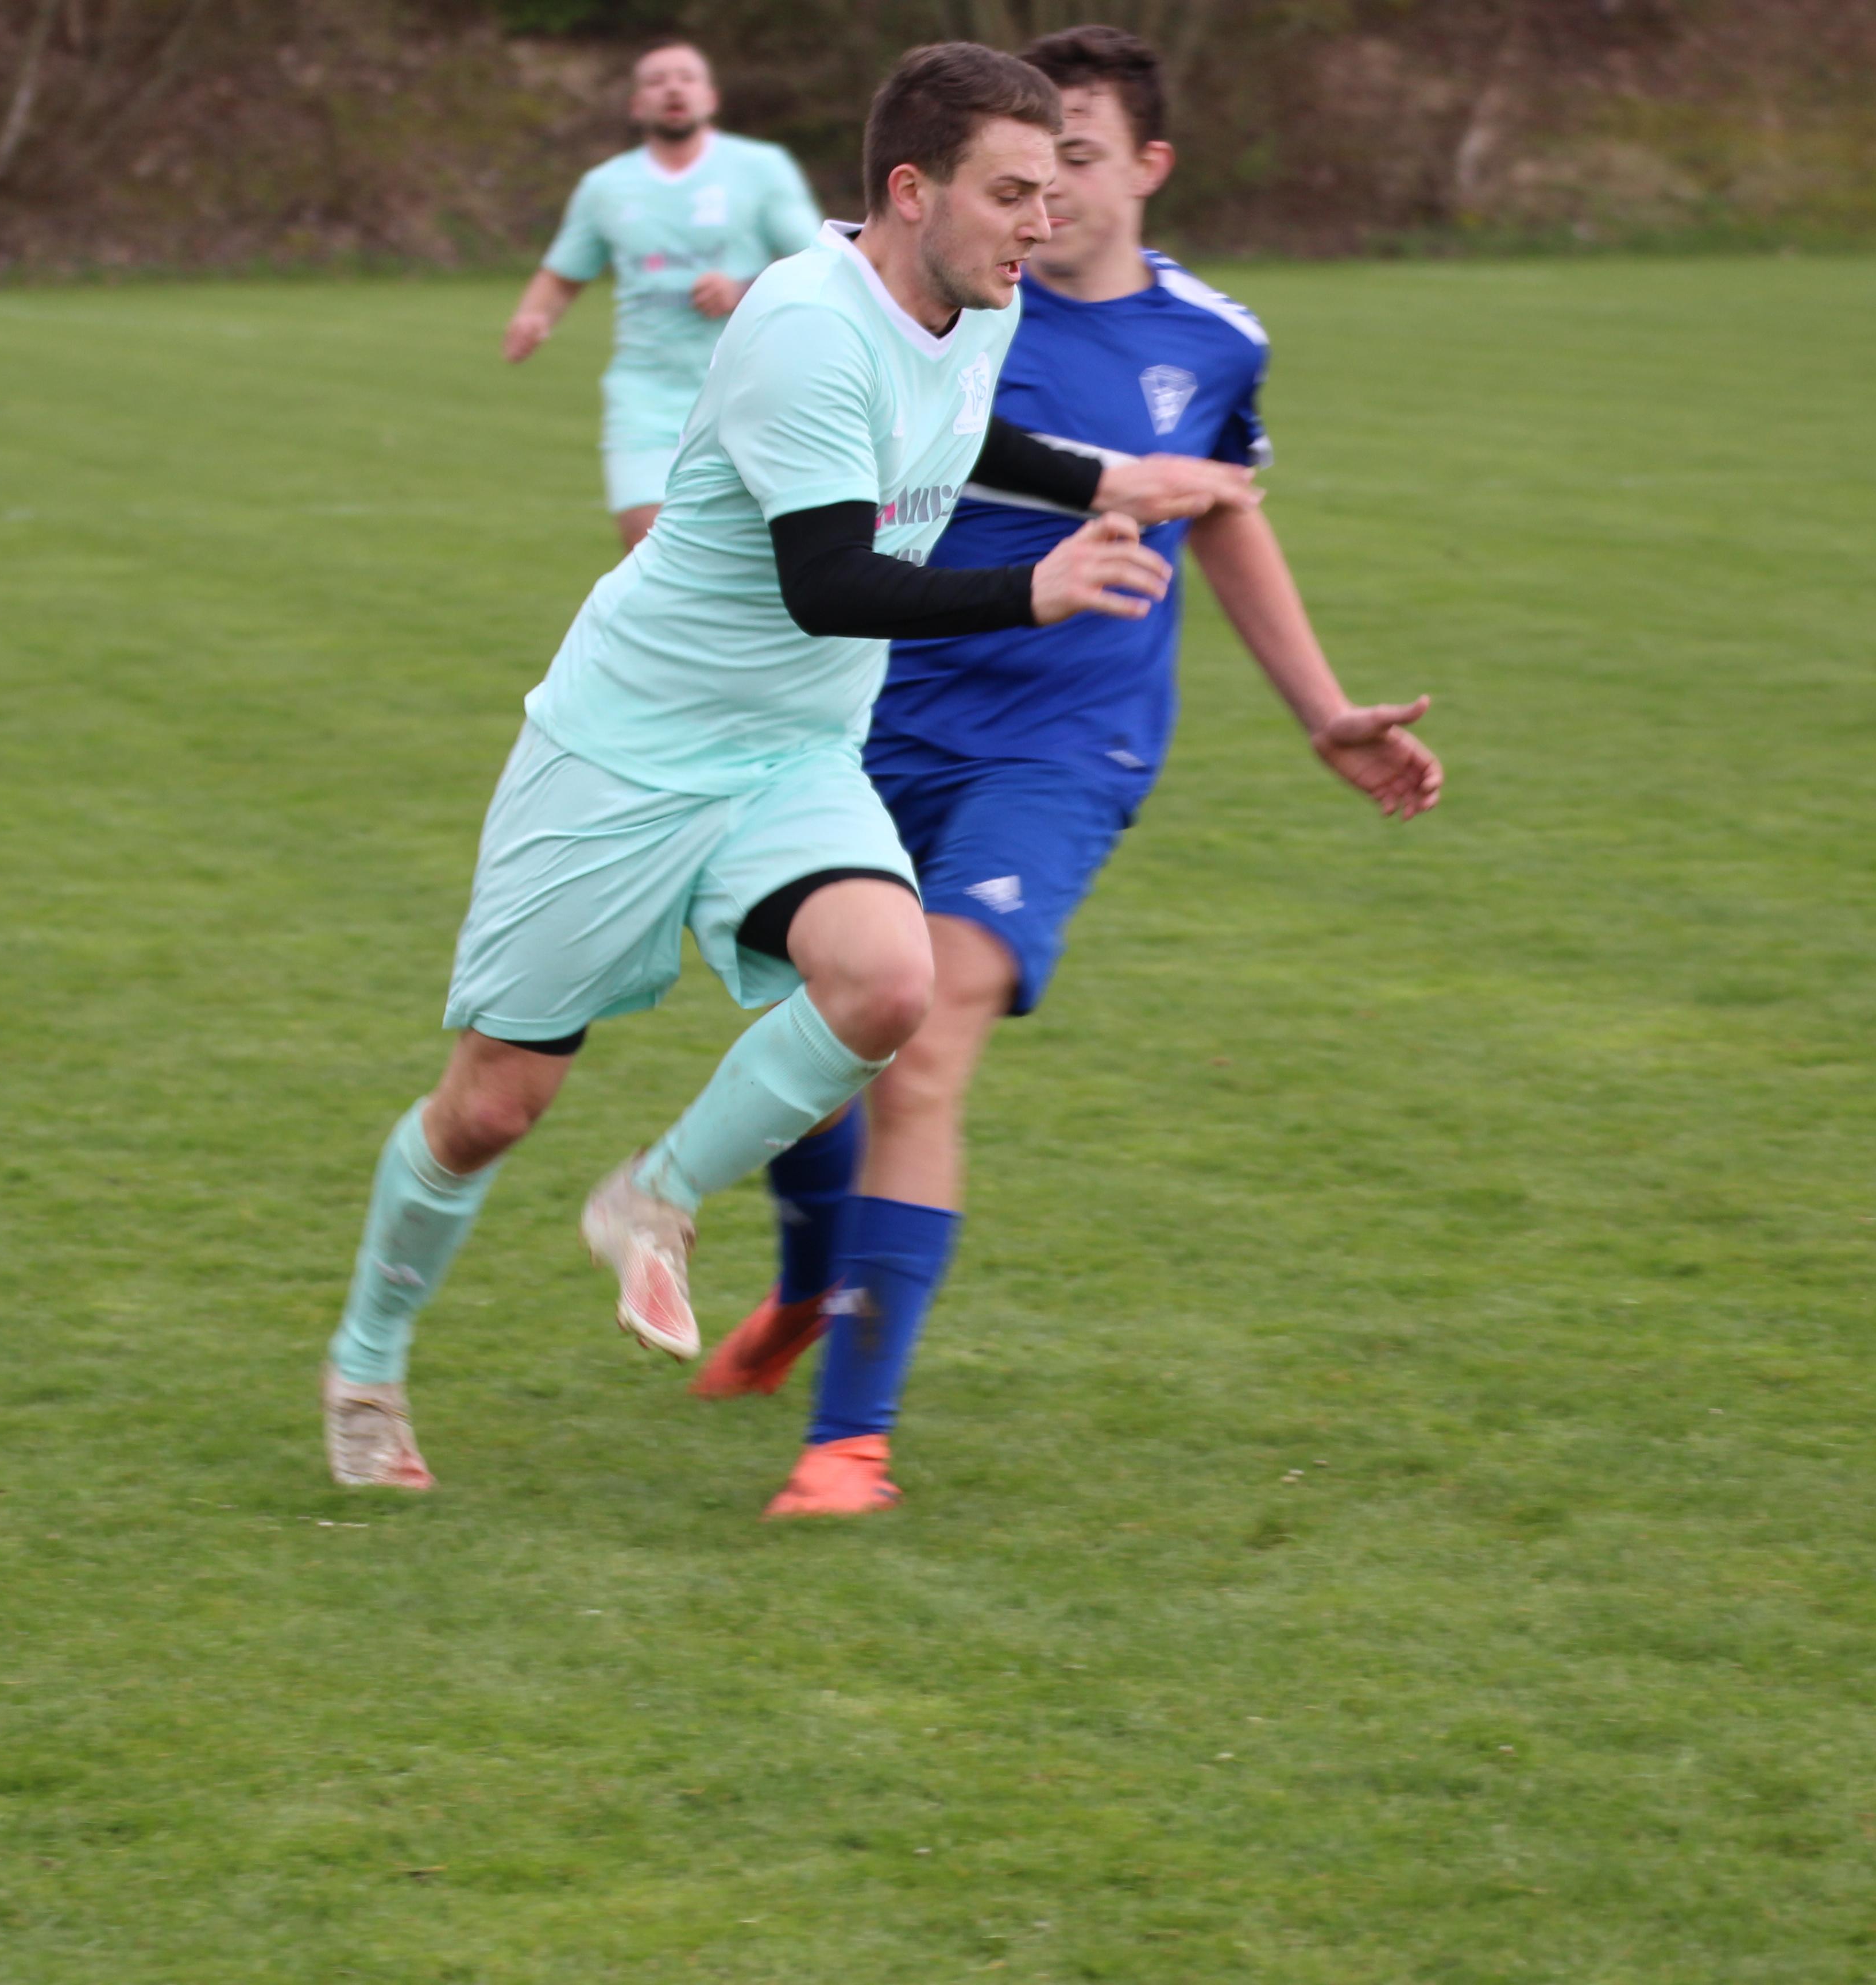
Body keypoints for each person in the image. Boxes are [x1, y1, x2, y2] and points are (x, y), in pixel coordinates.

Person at [322, 43, 1261, 1491]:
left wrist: (1095, 479)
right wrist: (1036, 588)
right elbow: (829, 577)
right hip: (624, 749)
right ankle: (368, 1364)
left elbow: (954, 432)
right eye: (1010, 190)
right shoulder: (803, 325)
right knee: (492, 1104)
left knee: (890, 983)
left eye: (1052, 186)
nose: (1043, 216)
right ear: (907, 189)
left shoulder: (974, 293)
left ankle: (657, 1196)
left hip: (791, 750)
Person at [693, 25, 1444, 1520]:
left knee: (931, 1023)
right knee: (820, 1050)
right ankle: (801, 1292)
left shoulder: (1214, 341)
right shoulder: (924, 284)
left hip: (1066, 737)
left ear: (1148, 168)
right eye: (1023, 172)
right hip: (869, 711)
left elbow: (1219, 506)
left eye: (1078, 164)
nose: (1047, 201)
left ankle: (851, 1445)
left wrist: (1319, 708)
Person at [503, 41, 824, 553]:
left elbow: (819, 262)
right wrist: (532, 316)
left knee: (762, 551)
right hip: (647, 390)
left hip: (753, 389)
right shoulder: (605, 186)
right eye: (656, 80)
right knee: (645, 540)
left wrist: (742, 288)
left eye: (686, 77)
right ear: (637, 106)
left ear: (711, 97)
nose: (673, 88)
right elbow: (563, 275)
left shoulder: (761, 169)